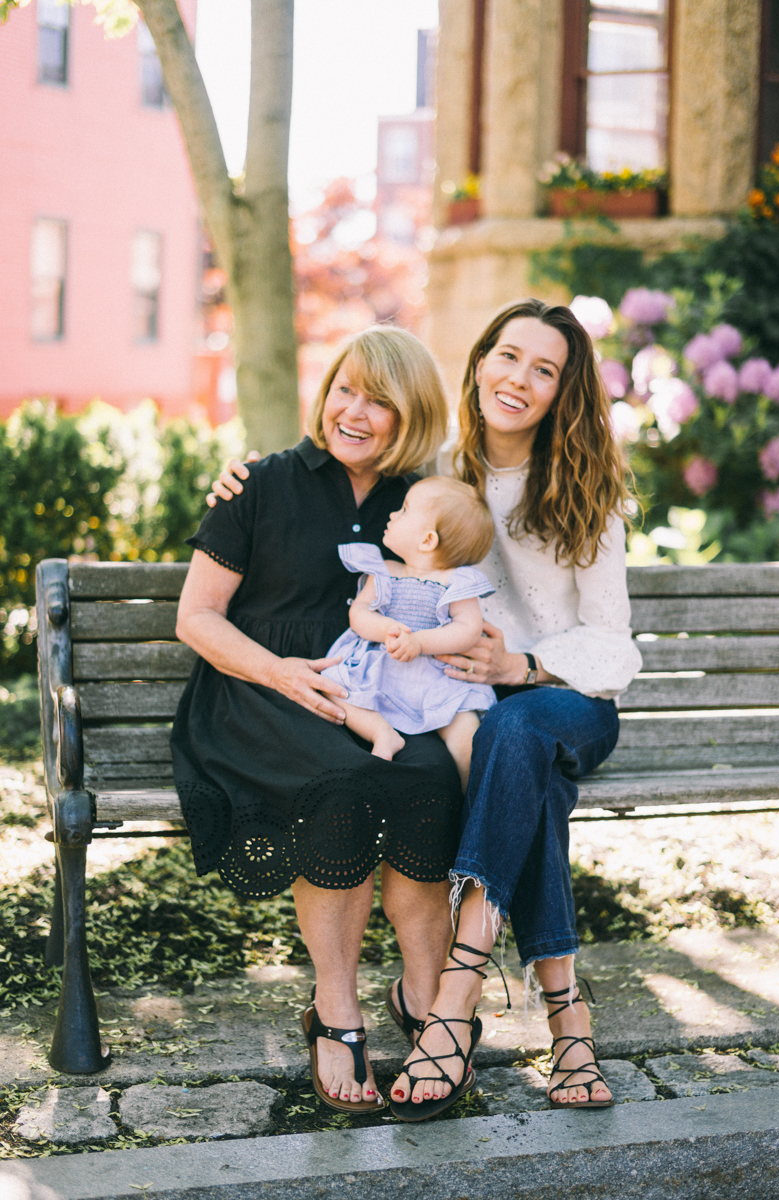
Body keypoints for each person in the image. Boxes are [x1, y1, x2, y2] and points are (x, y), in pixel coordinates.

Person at [208, 298, 643, 1122]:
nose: (518, 378)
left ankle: (456, 993)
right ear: (479, 361)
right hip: (478, 705)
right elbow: (351, 494)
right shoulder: (438, 471)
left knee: (519, 730)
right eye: (508, 356)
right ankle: (565, 1019)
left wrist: (527, 663)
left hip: (568, 699)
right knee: (518, 761)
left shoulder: (591, 490)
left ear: (563, 392)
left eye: (544, 369)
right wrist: (241, 476)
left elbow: (614, 644)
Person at [171, 325, 465, 1116]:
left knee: (432, 776)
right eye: (345, 389)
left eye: (380, 400)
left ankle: (427, 998)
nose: (354, 411)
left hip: (373, 694)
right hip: (254, 691)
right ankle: (336, 1009)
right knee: (341, 783)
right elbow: (196, 618)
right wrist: (278, 672)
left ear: (414, 417)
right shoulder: (261, 483)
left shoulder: (422, 502)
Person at [321, 477, 496, 790]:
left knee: (468, 736)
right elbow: (358, 613)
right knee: (334, 691)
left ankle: (474, 802)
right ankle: (381, 733)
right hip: (382, 669)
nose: (392, 515)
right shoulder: (385, 571)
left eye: (403, 511)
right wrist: (385, 628)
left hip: (438, 679)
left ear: (428, 540)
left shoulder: (459, 582)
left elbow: (469, 630)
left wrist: (420, 642)